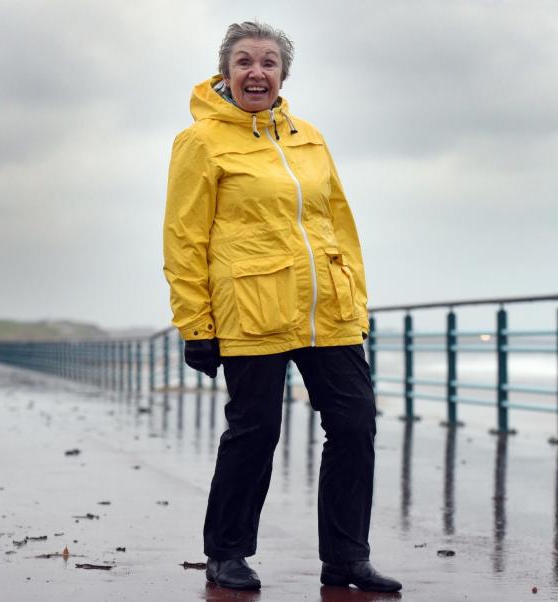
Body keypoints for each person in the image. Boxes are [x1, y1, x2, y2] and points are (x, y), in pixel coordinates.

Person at [162, 21, 401, 593]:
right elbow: (183, 237)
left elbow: (340, 225)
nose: (257, 73)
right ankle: (227, 553)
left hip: (329, 311)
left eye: (269, 63)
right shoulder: (200, 142)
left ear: (283, 75)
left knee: (354, 424)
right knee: (256, 430)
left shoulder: (310, 138)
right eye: (244, 62)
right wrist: (196, 323)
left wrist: (356, 305)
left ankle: (347, 558)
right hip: (252, 309)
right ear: (226, 72)